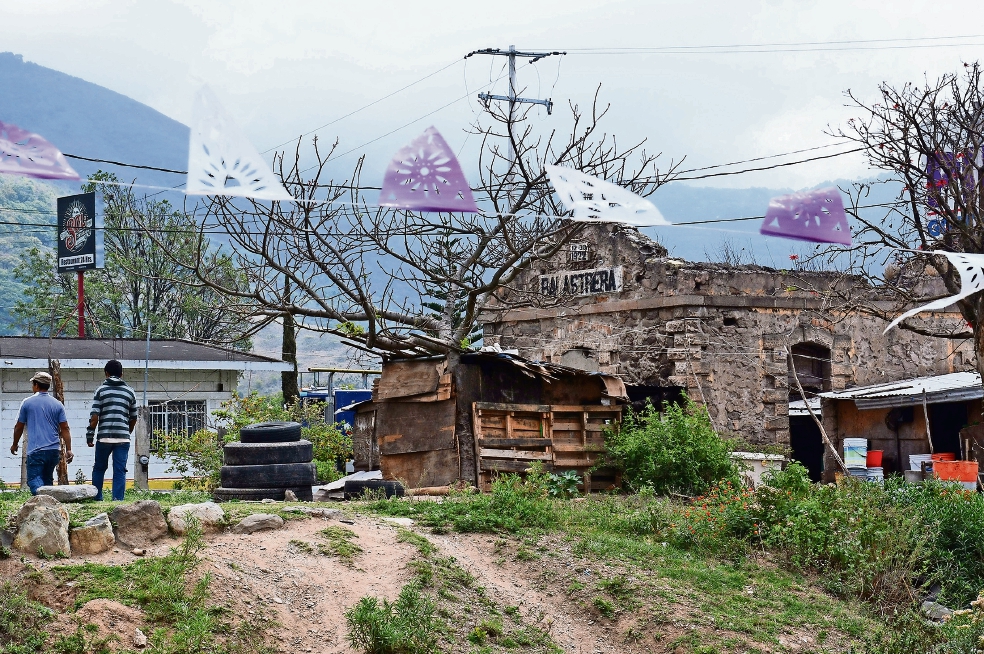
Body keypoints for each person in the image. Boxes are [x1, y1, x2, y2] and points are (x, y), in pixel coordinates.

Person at [10, 371, 73, 495]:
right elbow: (65, 428)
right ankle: (49, 508)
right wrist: (69, 449)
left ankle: (42, 503)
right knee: (47, 479)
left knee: (34, 479)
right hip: (54, 450)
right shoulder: (57, 404)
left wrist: (14, 444)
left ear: (36, 385)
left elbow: (19, 427)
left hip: (36, 450)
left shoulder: (27, 403)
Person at [88, 360, 137, 501]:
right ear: (122, 374)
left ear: (106, 374)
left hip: (104, 437)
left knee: (99, 468)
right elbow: (134, 417)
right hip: (123, 438)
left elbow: (94, 417)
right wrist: (127, 432)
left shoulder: (101, 390)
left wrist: (90, 436)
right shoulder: (130, 392)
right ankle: (118, 500)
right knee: (120, 470)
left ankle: (97, 498)